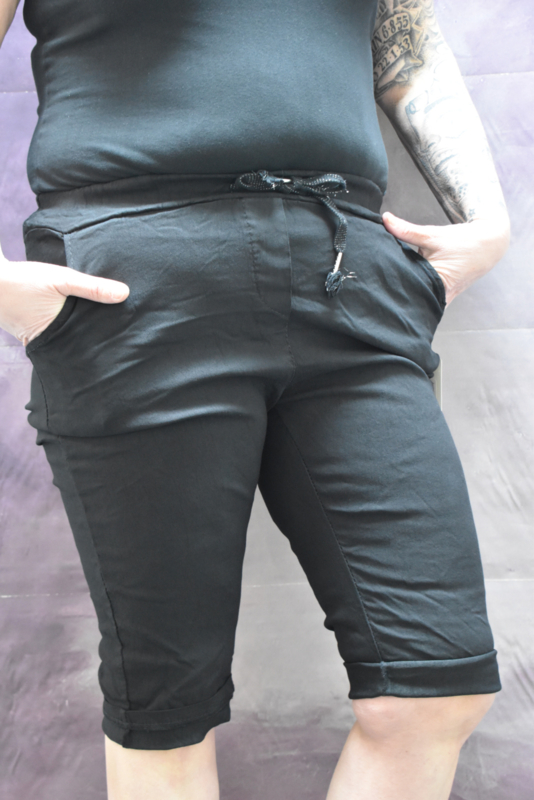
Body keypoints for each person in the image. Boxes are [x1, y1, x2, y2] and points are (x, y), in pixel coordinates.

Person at [0, 0, 510, 798]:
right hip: (135, 288)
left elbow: (404, 33)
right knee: (167, 709)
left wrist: (488, 222)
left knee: (436, 683)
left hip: (352, 277)